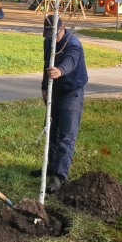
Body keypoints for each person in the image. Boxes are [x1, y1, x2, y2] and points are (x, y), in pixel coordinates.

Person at [34, 15, 88, 193]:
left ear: (63, 27)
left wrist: (60, 71)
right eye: (48, 34)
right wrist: (44, 86)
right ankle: (51, 167)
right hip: (53, 91)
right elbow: (46, 64)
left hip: (71, 93)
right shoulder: (48, 42)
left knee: (66, 135)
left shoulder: (72, 44)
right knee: (52, 131)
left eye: (54, 33)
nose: (51, 38)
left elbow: (70, 61)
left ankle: (58, 176)